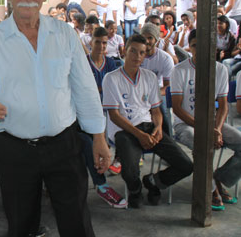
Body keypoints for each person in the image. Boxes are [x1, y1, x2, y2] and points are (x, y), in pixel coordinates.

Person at [0, 0, 110, 237]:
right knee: (21, 225)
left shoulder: (64, 34)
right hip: (14, 150)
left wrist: (98, 136)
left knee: (77, 222)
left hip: (64, 145)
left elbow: (85, 88)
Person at [103, 34, 193, 208]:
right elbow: (114, 115)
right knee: (129, 170)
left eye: (142, 53)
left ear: (145, 55)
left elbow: (156, 110)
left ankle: (154, 182)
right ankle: (135, 189)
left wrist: (158, 127)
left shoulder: (150, 77)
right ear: (124, 51)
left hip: (148, 127)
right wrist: (140, 135)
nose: (137, 57)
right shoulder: (111, 78)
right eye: (133, 51)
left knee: (186, 165)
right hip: (123, 130)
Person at [172, 29, 241, 210]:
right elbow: (177, 108)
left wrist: (216, 129)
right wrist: (206, 129)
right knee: (200, 143)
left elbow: (224, 105)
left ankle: (220, 179)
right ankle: (208, 189)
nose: (199, 49)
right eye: (194, 45)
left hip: (212, 124)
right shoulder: (180, 70)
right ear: (190, 47)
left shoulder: (220, 69)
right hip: (185, 124)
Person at [83, 26, 126, 208]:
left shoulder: (111, 63)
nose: (101, 46)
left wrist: (98, 90)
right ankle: (101, 182)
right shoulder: (83, 63)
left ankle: (118, 157)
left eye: (104, 43)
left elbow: (116, 89)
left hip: (109, 109)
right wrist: (100, 90)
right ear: (91, 42)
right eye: (98, 42)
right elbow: (83, 91)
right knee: (90, 141)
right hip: (88, 111)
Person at [139, 23, 175, 136]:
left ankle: (167, 138)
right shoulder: (136, 57)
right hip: (137, 91)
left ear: (156, 39)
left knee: (161, 107)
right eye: (144, 37)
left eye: (150, 37)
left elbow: (167, 87)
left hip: (158, 91)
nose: (147, 41)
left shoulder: (165, 59)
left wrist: (153, 94)